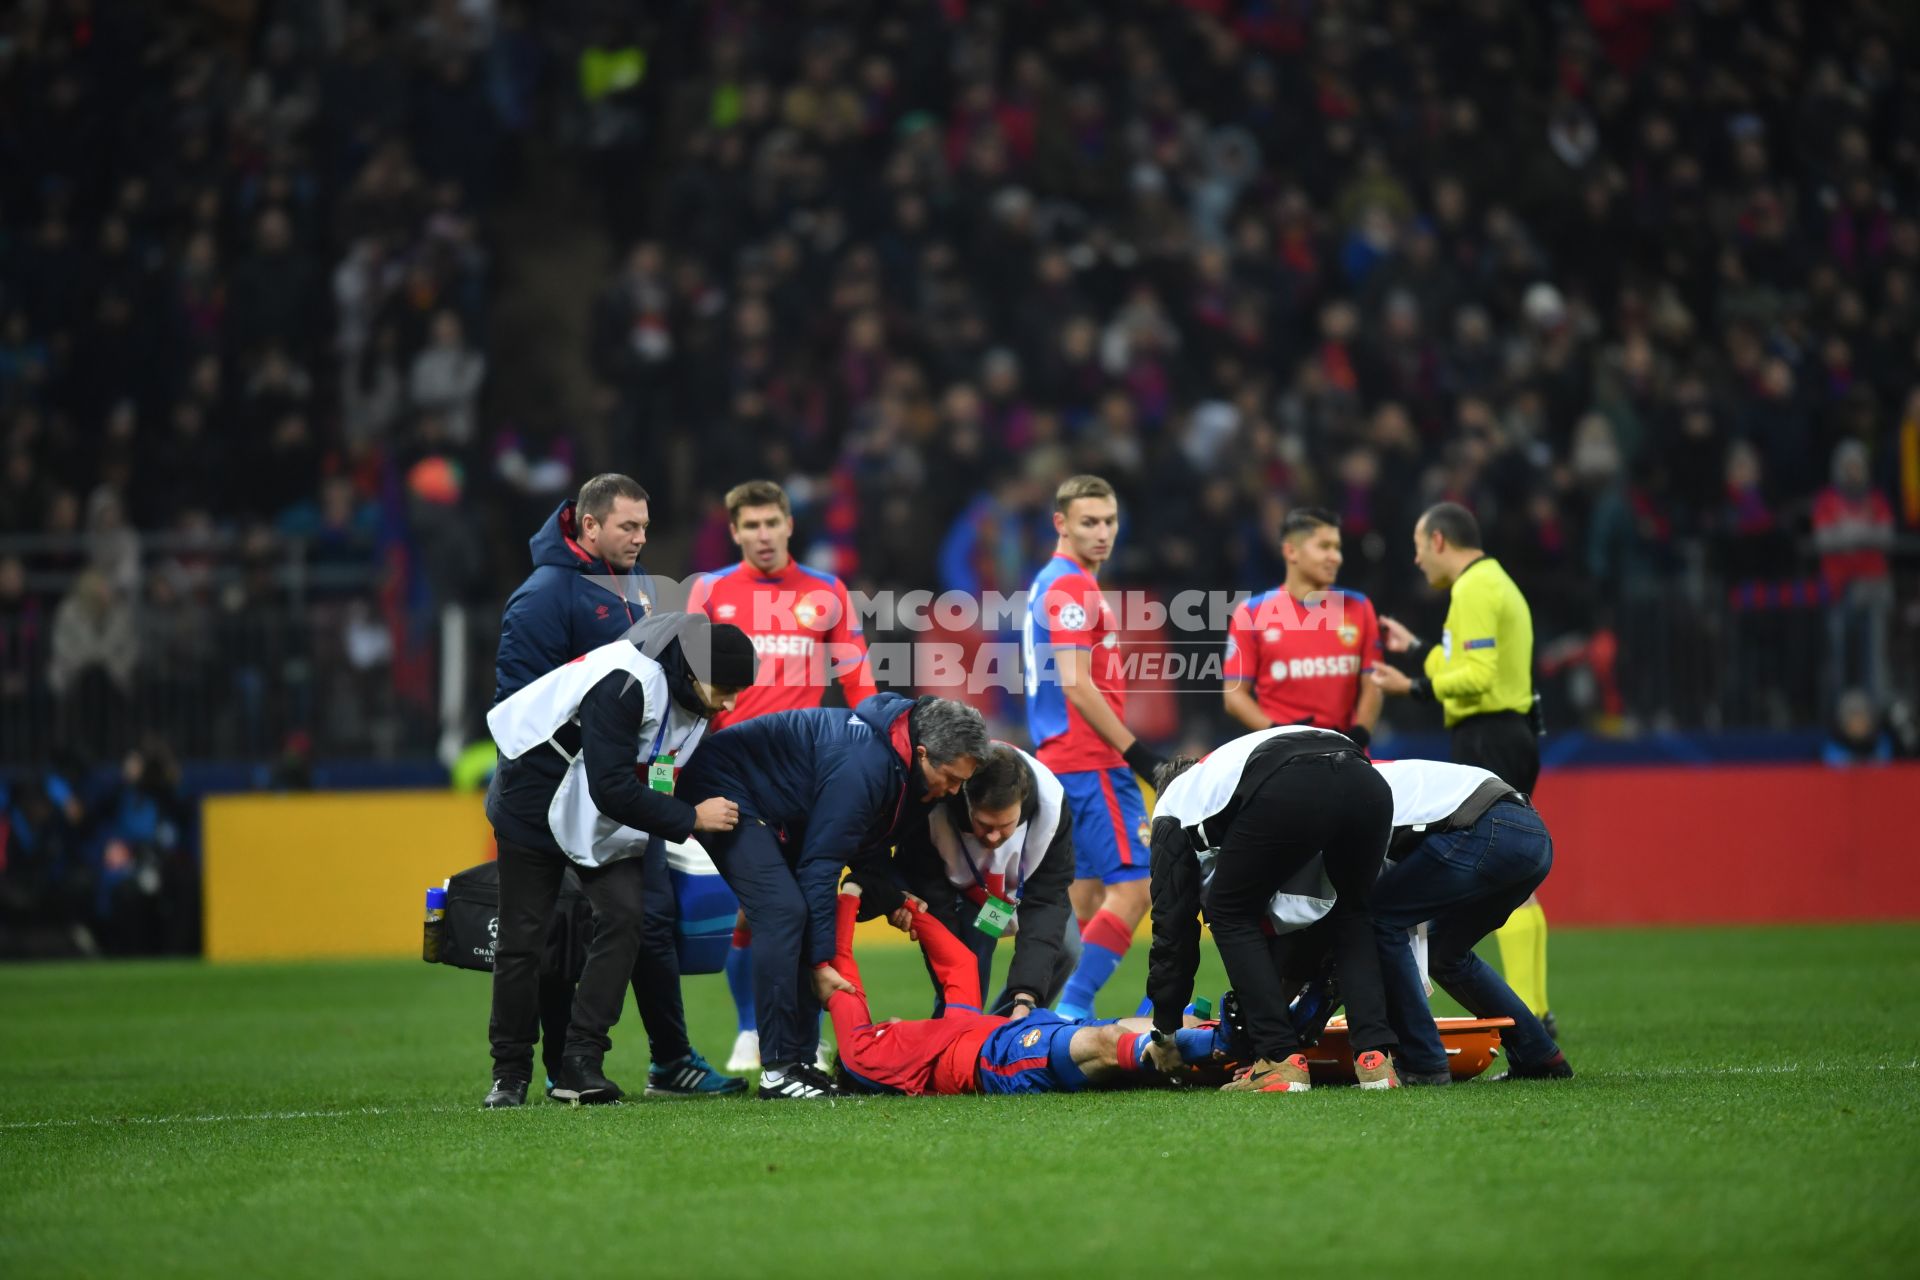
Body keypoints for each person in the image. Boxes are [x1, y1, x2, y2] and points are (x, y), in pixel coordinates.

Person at [493, 473, 739, 1098]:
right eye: (628, 527)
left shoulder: (633, 587)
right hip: (558, 792)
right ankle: (522, 1071)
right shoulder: (543, 596)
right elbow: (523, 707)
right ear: (588, 524)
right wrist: (610, 770)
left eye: (645, 527)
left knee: (636, 921)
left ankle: (646, 1059)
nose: (639, 539)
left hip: (620, 797)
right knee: (544, 936)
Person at [479, 613, 755, 1108]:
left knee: (627, 917)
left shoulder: (694, 693)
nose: (731, 703)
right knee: (524, 939)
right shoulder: (627, 684)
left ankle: (579, 1063)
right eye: (726, 688)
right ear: (692, 671)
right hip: (533, 795)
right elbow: (611, 789)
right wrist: (689, 818)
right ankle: (510, 1073)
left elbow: (651, 771)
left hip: (599, 809)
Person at [675, 693, 990, 1099]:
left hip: (775, 808)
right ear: (924, 753)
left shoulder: (906, 768)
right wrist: (822, 964)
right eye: (951, 777)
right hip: (724, 786)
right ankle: (777, 1069)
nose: (953, 791)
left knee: (799, 914)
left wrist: (893, 897)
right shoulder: (866, 765)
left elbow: (869, 850)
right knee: (783, 911)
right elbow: (822, 864)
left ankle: (800, 1061)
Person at [687, 479, 878, 1072]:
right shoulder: (709, 590)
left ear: (790, 525)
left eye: (772, 523)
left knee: (803, 903)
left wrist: (874, 743)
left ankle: (799, 1038)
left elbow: (857, 679)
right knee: (760, 907)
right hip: (733, 774)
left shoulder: (827, 592)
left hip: (806, 776)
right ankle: (752, 1029)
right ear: (735, 531)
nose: (763, 536)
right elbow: (686, 678)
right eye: (751, 526)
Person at [1369, 502, 1553, 1036]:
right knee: (1517, 877)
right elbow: (1469, 663)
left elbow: (1475, 675)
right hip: (1508, 729)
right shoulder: (1493, 583)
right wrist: (1422, 650)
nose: (1417, 557)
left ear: (1440, 541)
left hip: (1490, 732)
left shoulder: (1473, 589)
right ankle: (1535, 1006)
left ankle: (1533, 1009)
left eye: (1419, 544)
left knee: (1507, 870)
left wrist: (1413, 687)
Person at [1144, 726, 1401, 1091]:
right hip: (1366, 779)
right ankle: (1376, 1063)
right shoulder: (1228, 768)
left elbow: (1173, 930)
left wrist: (1165, 1032)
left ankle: (1279, 1059)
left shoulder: (1172, 809)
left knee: (1229, 911)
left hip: (1295, 780)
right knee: (1352, 913)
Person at [824, 880, 1206, 1096]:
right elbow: (846, 990)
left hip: (1014, 1000)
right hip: (999, 1039)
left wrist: (910, 910)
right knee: (1108, 1025)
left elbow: (961, 967)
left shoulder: (945, 1029)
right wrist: (859, 896)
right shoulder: (868, 1052)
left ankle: (1234, 1040)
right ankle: (1209, 1042)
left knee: (1150, 1022)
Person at [1023, 474, 1164, 1021]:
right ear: (1061, 523)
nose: (1102, 532)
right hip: (1092, 761)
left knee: (1081, 900)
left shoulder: (1051, 582)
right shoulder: (1072, 587)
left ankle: (1047, 1022)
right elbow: (1077, 683)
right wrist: (1139, 755)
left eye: (1109, 521)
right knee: (1134, 891)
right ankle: (1073, 1012)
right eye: (1089, 522)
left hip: (1062, 761)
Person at [1367, 758, 1572, 1086]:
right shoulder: (1372, 774)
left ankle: (1423, 1063)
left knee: (1379, 919)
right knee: (1443, 953)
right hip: (1532, 836)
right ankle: (1539, 1054)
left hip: (1486, 828)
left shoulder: (1345, 794)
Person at [891, 741, 1077, 1017]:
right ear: (967, 799)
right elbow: (928, 887)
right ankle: (954, 1041)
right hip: (966, 896)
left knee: (1066, 949)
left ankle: (1002, 1034)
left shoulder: (1051, 804)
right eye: (984, 825)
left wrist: (1025, 998)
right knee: (966, 981)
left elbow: (1047, 899)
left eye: (1005, 826)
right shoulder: (939, 800)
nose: (993, 837)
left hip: (1009, 892)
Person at [1222, 507, 1383, 748]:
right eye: (1324, 547)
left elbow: (1374, 683)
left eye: (1337, 548)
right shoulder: (1251, 613)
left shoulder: (1359, 607)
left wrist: (1359, 735)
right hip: (1282, 760)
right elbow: (1234, 696)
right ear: (1291, 551)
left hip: (1349, 757)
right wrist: (1279, 734)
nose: (1336, 557)